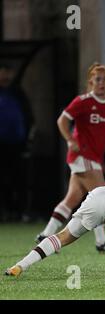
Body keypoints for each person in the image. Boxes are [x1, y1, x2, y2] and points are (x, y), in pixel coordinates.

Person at [35, 63, 105, 252]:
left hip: (92, 157)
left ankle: (46, 234)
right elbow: (62, 120)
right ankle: (101, 241)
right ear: (90, 82)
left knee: (72, 199)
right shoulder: (82, 101)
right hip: (82, 155)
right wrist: (70, 139)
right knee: (100, 196)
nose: (102, 83)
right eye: (98, 79)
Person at [0, 63, 34, 220]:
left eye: (8, 73)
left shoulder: (18, 93)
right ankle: (4, 212)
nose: (5, 77)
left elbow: (29, 117)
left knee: (20, 179)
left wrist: (28, 138)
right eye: (2, 73)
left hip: (17, 145)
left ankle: (21, 212)